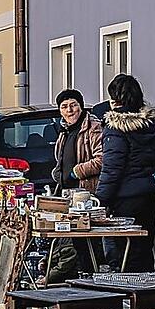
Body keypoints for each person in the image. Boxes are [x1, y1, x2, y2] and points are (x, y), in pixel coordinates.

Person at [96, 74, 155, 272]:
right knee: (144, 249)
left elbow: (112, 169)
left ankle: (133, 299)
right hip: (148, 194)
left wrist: (100, 200)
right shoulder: (151, 124)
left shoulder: (115, 128)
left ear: (115, 99)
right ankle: (149, 299)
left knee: (127, 253)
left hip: (125, 199)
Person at [45, 89, 104, 283]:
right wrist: (58, 172)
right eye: (64, 107)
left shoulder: (92, 127)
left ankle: (89, 277)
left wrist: (76, 171)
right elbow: (61, 159)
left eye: (73, 105)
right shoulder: (65, 130)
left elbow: (101, 159)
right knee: (70, 238)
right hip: (67, 192)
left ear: (81, 106)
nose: (69, 110)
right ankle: (76, 277)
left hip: (86, 193)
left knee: (85, 239)